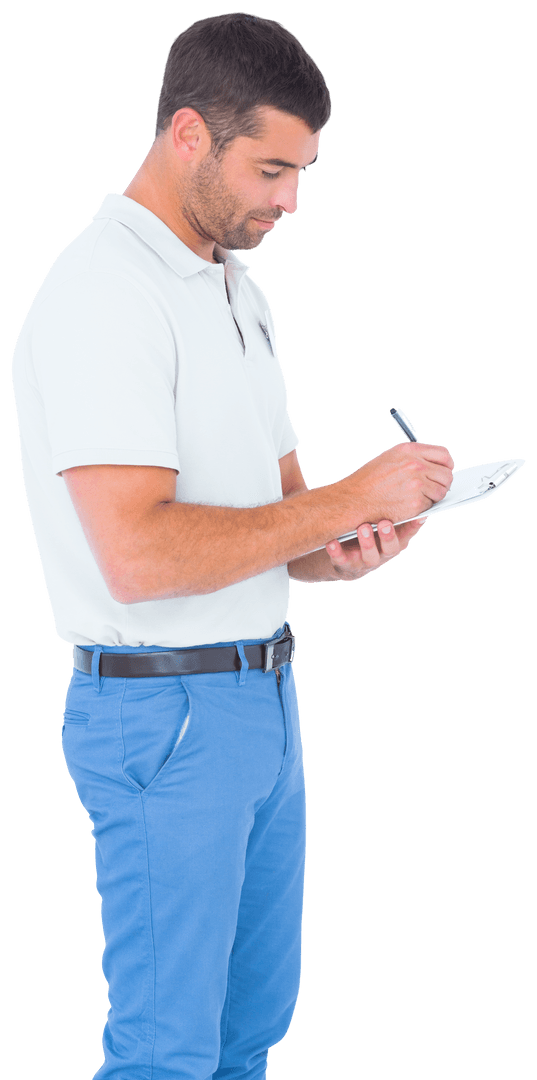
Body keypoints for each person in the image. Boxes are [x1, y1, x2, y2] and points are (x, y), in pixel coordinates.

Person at [11, 13, 454, 1080]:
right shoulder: (100, 296)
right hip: (161, 712)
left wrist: (344, 540)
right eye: (270, 168)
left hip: (263, 700)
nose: (290, 199)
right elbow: (140, 557)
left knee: (248, 1036)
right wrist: (345, 495)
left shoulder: (234, 291)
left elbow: (285, 519)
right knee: (168, 1054)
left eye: (300, 171)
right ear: (187, 136)